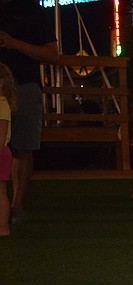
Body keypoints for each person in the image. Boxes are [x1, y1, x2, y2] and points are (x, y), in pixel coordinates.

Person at [0, 0, 59, 224]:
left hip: (23, 86)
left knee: (23, 147)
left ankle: (17, 205)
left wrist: (14, 43)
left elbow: (53, 55)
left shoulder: (31, 9)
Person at [0, 62, 15, 236]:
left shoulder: (2, 104)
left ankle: (3, 226)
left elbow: (2, 134)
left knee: (1, 191)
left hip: (1, 151)